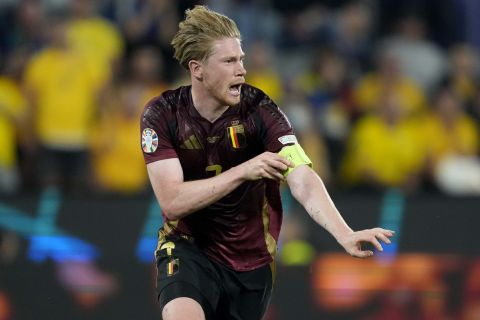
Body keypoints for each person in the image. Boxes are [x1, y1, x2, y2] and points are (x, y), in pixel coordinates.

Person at [140, 6, 394, 320]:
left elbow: (301, 175)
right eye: (229, 61)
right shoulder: (162, 115)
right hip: (187, 247)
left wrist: (343, 233)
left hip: (251, 261)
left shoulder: (261, 110)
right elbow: (172, 201)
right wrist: (243, 171)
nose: (241, 70)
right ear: (198, 69)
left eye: (241, 59)